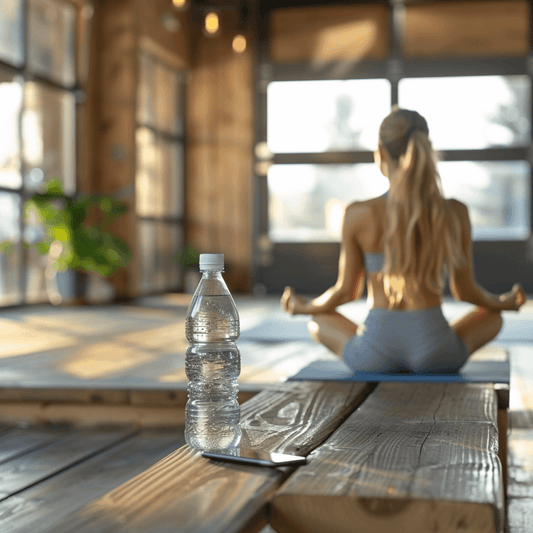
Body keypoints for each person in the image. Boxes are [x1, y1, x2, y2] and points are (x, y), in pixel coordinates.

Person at [281, 106, 527, 374]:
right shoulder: (455, 212)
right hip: (437, 353)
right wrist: (503, 302)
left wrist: (304, 307)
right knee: (492, 317)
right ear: (427, 149)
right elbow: (465, 290)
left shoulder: (358, 214)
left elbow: (346, 292)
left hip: (374, 353)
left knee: (318, 320)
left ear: (380, 152)